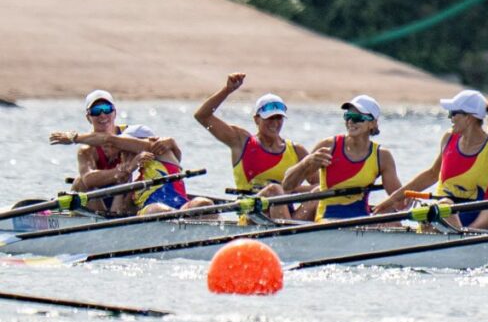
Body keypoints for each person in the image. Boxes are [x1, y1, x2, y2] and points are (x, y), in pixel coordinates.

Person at [375, 90, 488, 230]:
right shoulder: (448, 139)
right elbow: (432, 174)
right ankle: (455, 238)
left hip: (478, 222)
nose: (450, 118)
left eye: (453, 113)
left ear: (469, 118)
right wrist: (393, 199)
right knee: (445, 205)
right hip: (443, 215)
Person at [193, 73, 314, 220]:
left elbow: (322, 185)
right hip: (252, 216)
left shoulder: (296, 151)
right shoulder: (241, 141)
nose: (274, 123)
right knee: (273, 190)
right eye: (269, 118)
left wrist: (291, 189)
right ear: (256, 119)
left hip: (287, 217)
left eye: (278, 118)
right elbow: (202, 116)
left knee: (317, 192)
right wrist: (227, 90)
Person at [282, 94, 402, 220]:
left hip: (361, 224)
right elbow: (287, 185)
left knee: (390, 214)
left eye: (357, 118)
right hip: (326, 221)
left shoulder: (382, 156)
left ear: (372, 124)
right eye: (347, 116)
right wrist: (306, 162)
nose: (350, 122)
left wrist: (408, 200)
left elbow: (400, 202)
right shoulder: (329, 146)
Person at [52, 123, 213, 215]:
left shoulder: (163, 154)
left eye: (128, 148)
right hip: (155, 213)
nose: (125, 152)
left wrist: (74, 138)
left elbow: (110, 138)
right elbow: (116, 215)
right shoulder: (134, 184)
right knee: (157, 210)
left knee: (203, 203)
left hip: (182, 209)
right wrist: (127, 173)